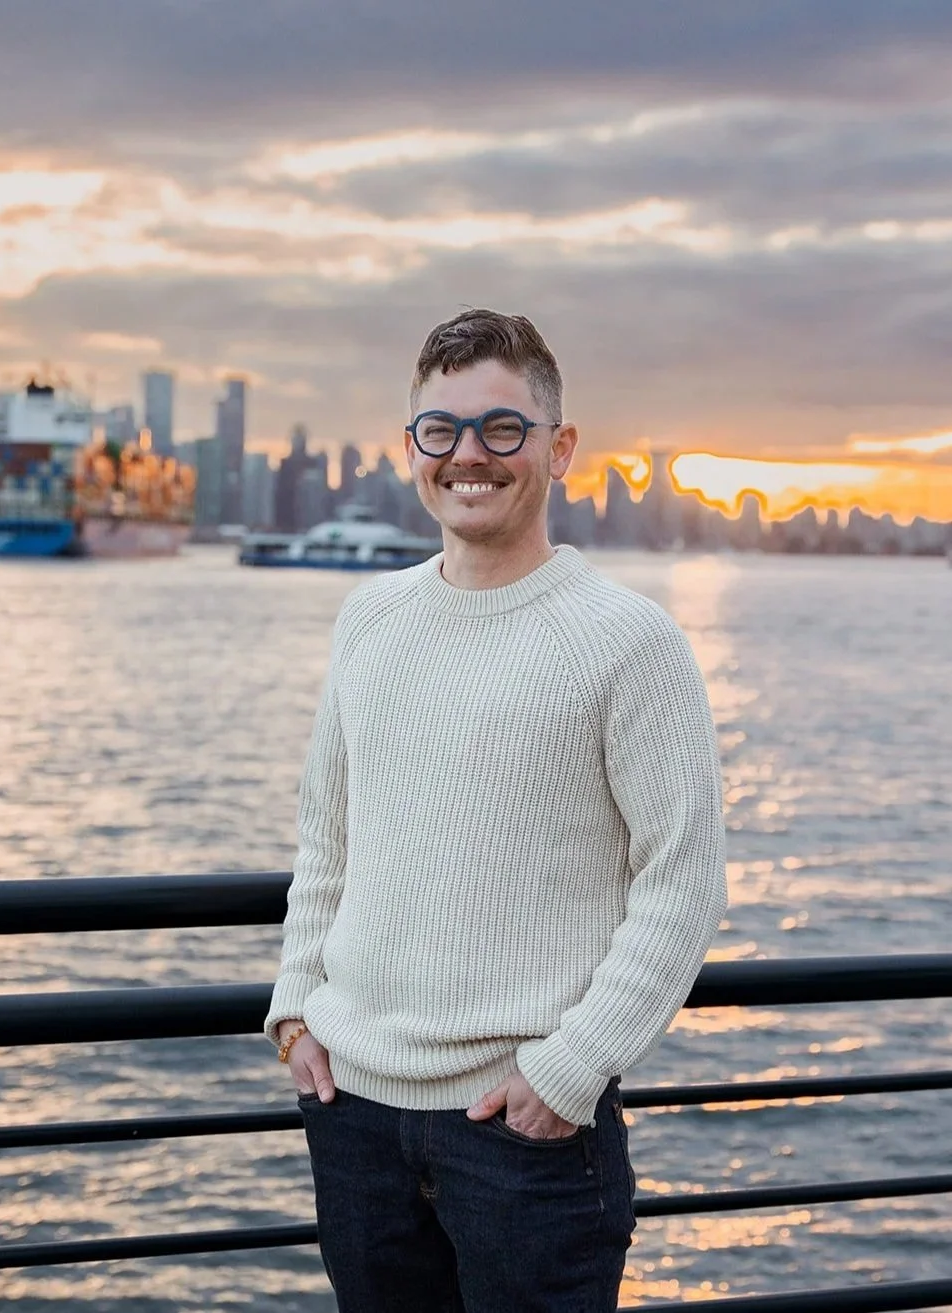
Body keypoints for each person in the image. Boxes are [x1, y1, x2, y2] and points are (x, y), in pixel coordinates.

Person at [265, 308, 727, 1312]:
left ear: (558, 449)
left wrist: (569, 1071)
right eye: (442, 429)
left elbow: (683, 879)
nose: (469, 454)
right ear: (410, 450)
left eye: (502, 428)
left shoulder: (629, 642)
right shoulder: (369, 618)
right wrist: (297, 1002)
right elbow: (327, 831)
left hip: (522, 1136)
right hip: (354, 1114)